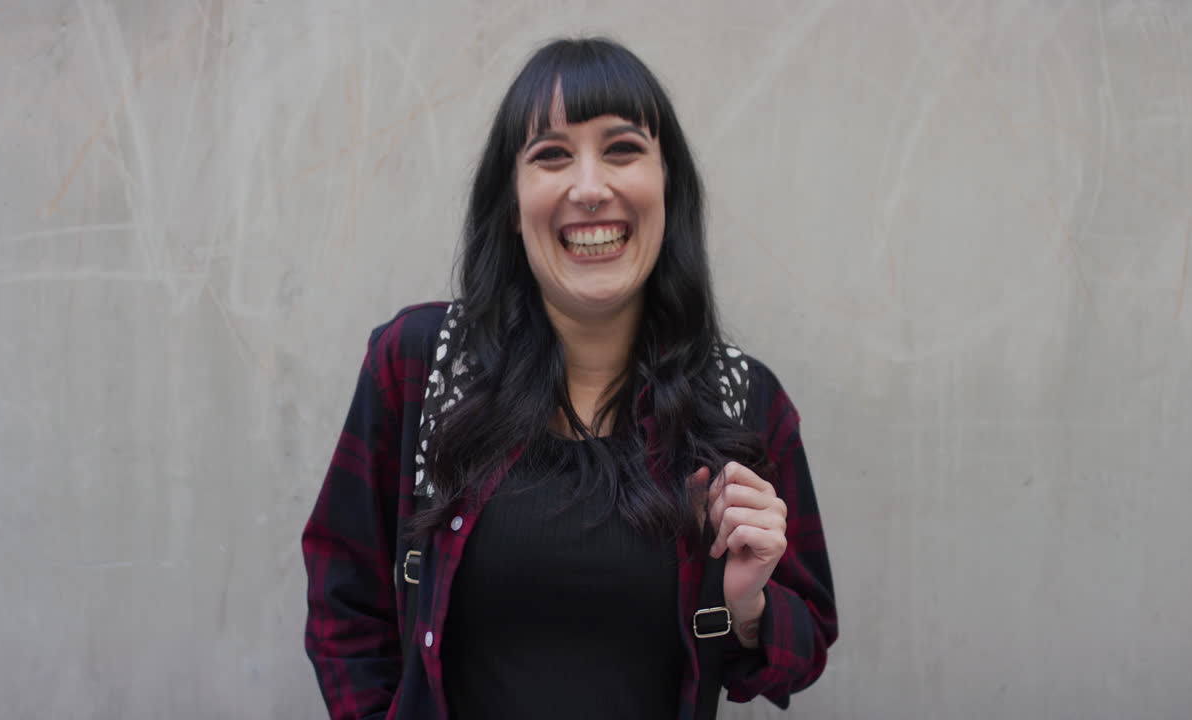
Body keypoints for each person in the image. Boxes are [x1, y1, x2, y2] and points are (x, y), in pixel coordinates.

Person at [302, 37, 837, 720]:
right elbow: (343, 600)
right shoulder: (419, 363)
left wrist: (750, 607)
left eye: (622, 149)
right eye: (551, 155)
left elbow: (805, 646)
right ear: (510, 201)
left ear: (668, 185)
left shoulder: (742, 402)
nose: (589, 189)